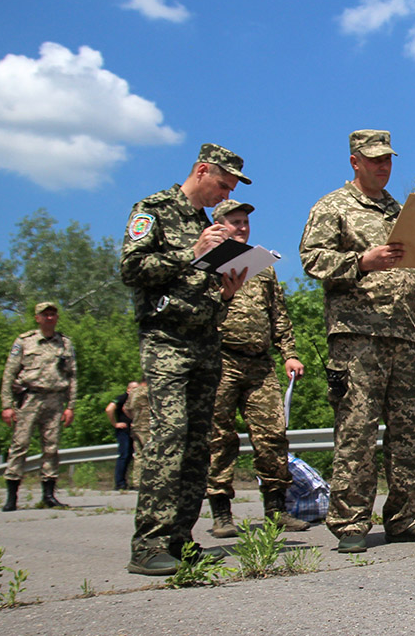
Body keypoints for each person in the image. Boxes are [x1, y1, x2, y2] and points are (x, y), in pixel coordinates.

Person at [299, 129, 415, 553]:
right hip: (357, 335)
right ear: (355, 161)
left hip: (407, 333)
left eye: (388, 159)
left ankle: (405, 518)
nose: (383, 166)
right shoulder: (333, 207)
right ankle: (350, 524)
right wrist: (361, 261)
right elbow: (312, 259)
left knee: (413, 432)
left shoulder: (400, 211)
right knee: (357, 431)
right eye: (374, 159)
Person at [120, 143, 251, 575]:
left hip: (205, 339)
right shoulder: (154, 210)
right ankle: (148, 543)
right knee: (170, 435)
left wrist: (226, 294)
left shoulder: (205, 224)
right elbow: (132, 269)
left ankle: (179, 538)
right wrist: (191, 253)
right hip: (166, 338)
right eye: (221, 184)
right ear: (201, 171)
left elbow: (201, 287)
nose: (223, 195)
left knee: (198, 444)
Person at [206, 199, 310, 537]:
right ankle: (221, 512)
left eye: (245, 223)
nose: (242, 227)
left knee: (272, 436)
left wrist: (289, 353)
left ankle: (277, 509)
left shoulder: (262, 266)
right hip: (221, 359)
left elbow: (278, 313)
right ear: (218, 224)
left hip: (260, 362)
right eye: (235, 222)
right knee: (219, 437)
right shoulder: (205, 264)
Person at [0, 302, 77, 512]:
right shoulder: (25, 341)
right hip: (29, 398)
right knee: (20, 445)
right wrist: (7, 405)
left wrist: (70, 406)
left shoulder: (65, 343)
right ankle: (11, 496)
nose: (49, 318)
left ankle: (49, 495)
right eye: (45, 315)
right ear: (37, 318)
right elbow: (9, 374)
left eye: (53, 314)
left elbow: (72, 376)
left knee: (51, 447)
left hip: (55, 399)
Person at [105, 381, 138, 490]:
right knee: (124, 455)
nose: (135, 391)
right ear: (128, 389)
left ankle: (129, 481)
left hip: (135, 430)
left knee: (131, 456)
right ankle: (120, 483)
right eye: (133, 388)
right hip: (124, 430)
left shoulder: (138, 399)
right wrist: (114, 423)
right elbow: (109, 409)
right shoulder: (123, 397)